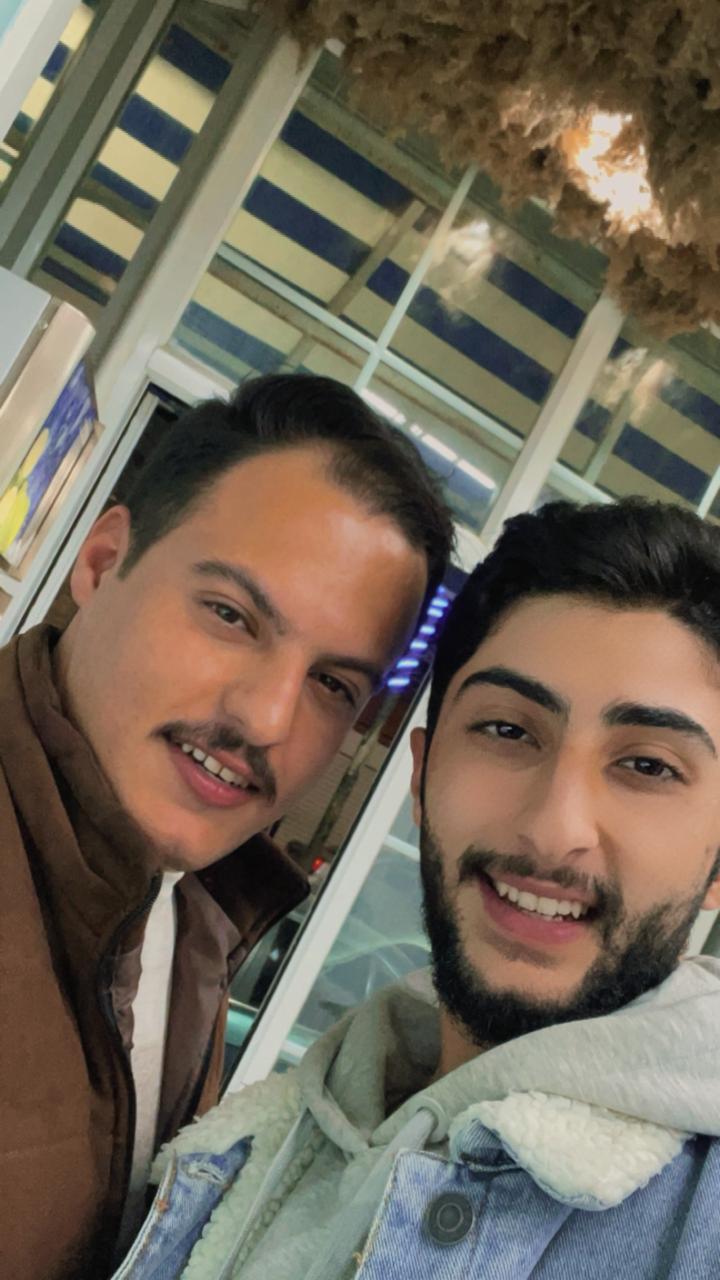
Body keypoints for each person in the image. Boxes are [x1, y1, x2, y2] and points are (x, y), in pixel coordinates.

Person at [115, 497, 720, 1280]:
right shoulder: (251, 1145)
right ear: (423, 774)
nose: (553, 828)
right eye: (508, 730)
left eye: (648, 766)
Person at [0, 372, 454, 1280]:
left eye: (333, 683)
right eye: (231, 616)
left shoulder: (191, 904)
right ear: (101, 562)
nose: (267, 718)